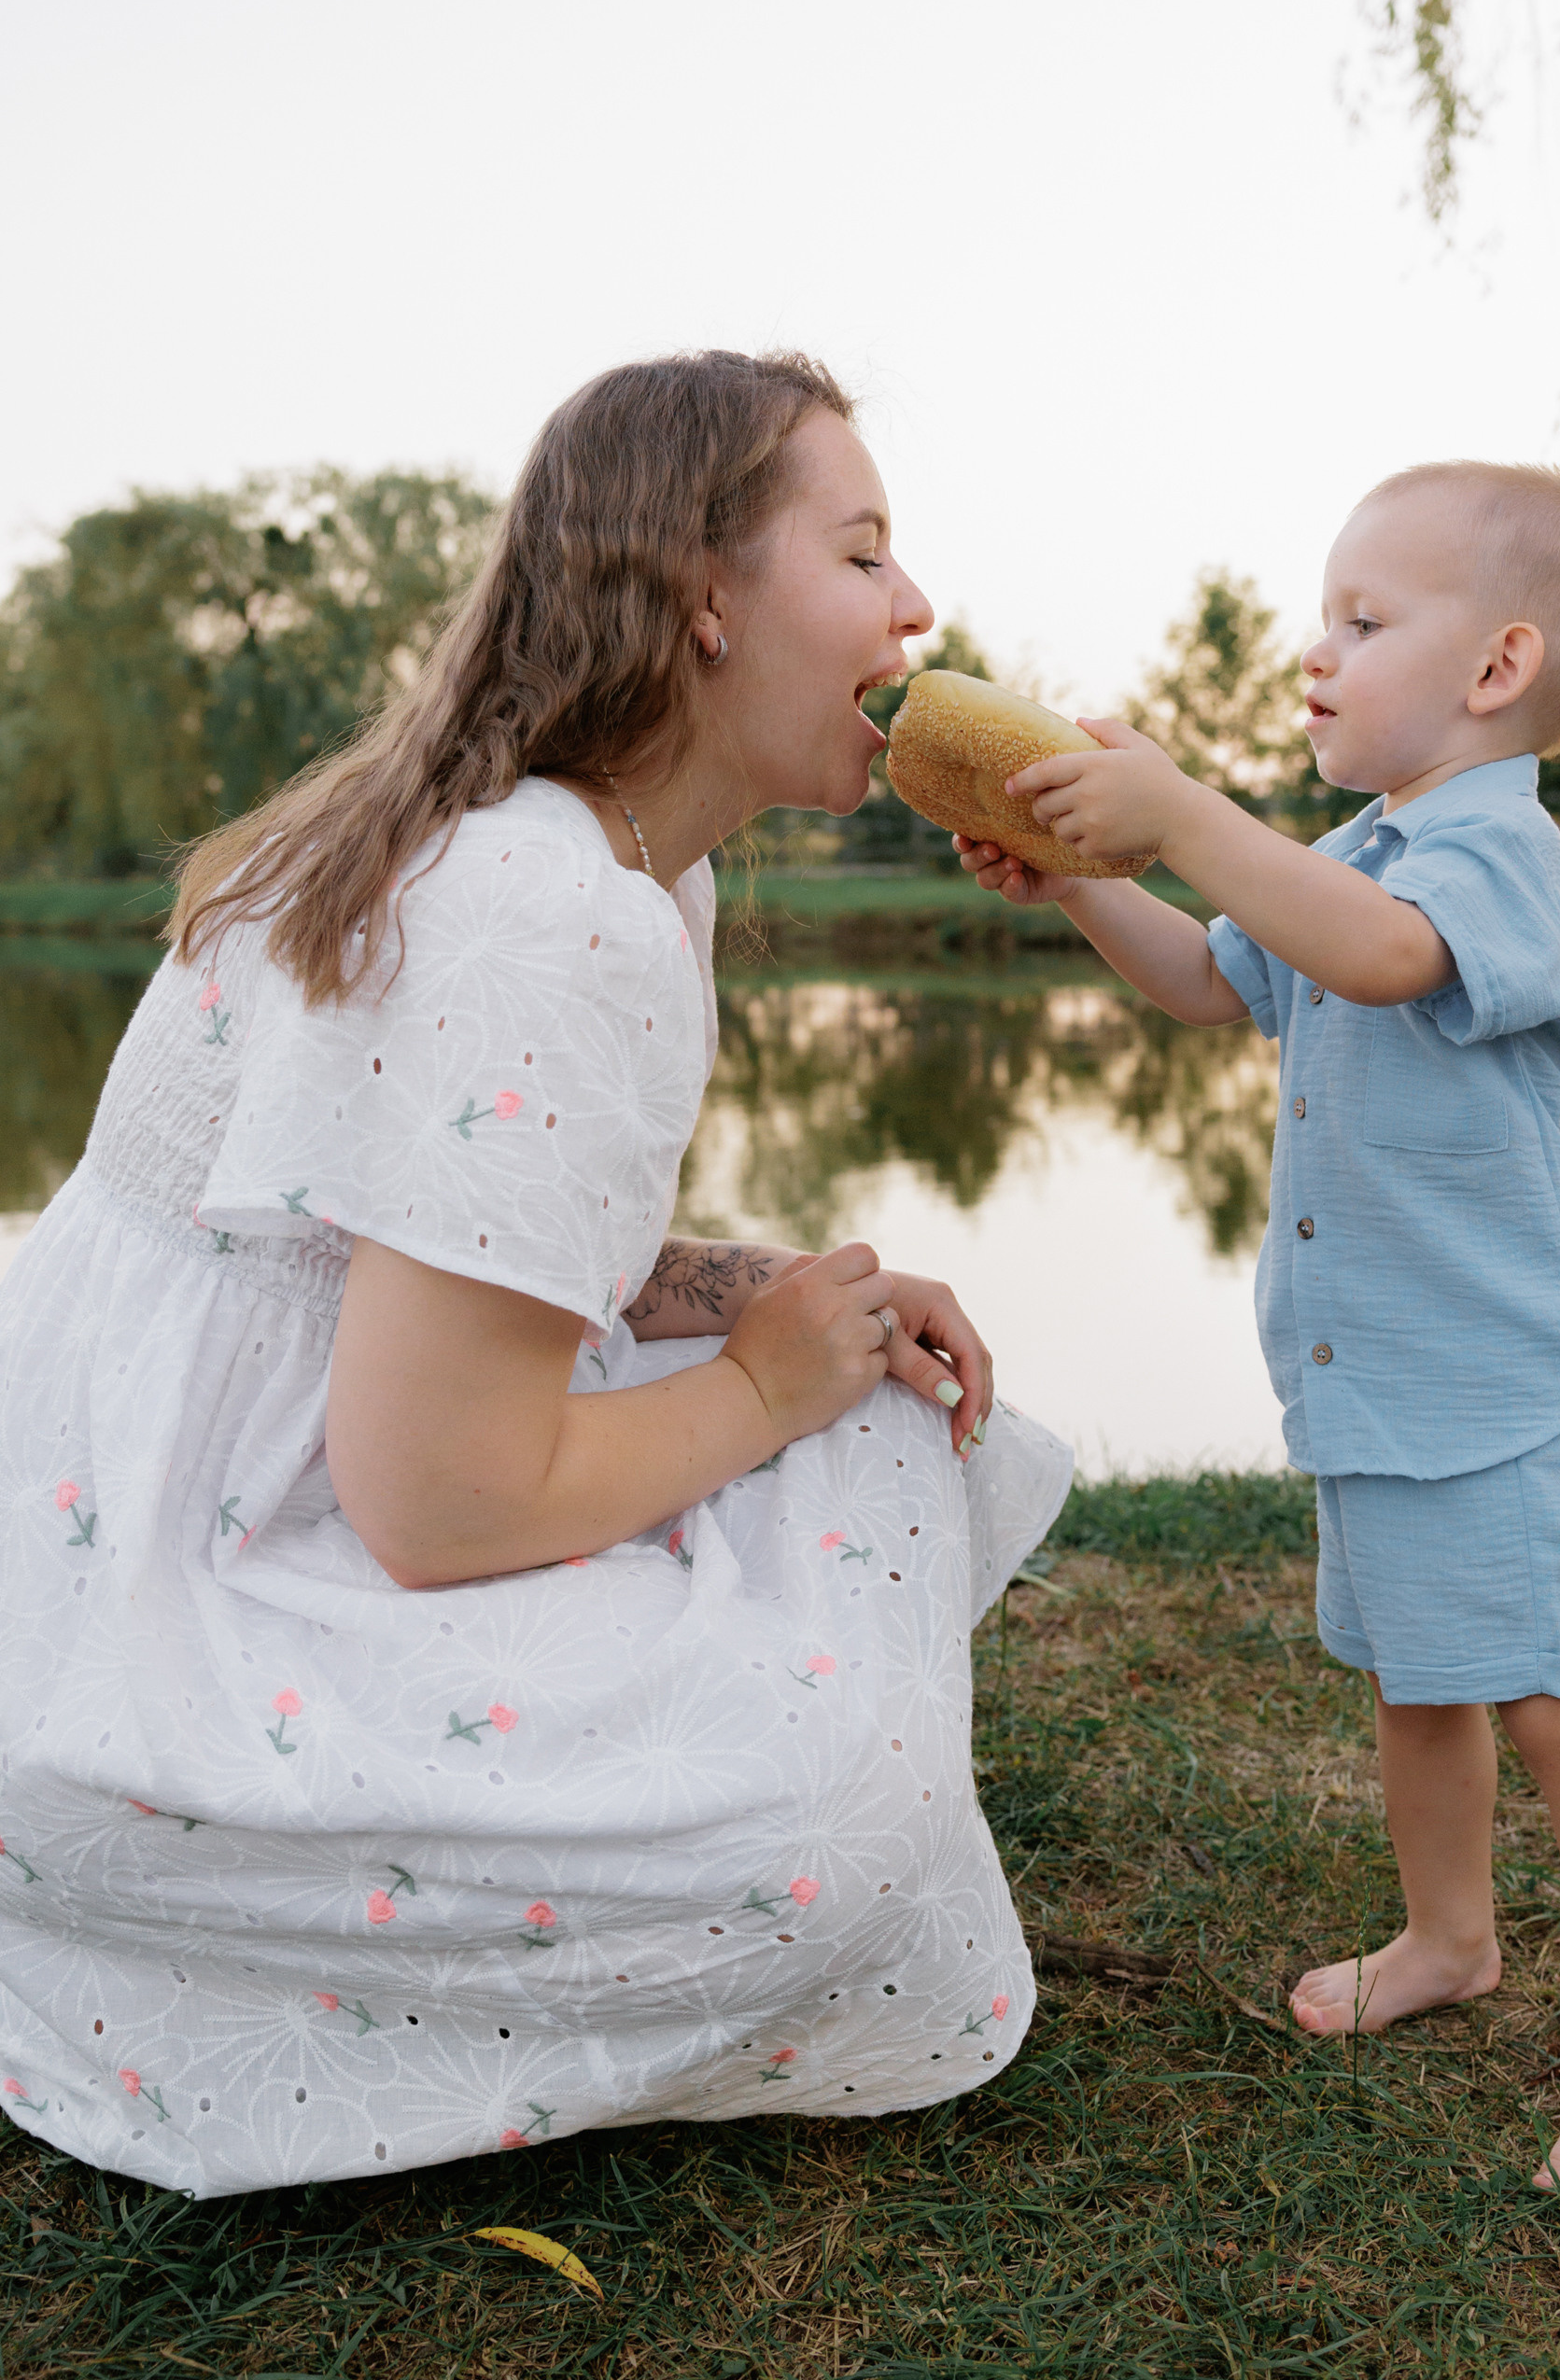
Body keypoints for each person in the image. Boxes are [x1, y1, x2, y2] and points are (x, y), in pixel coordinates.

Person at [0, 352, 1072, 2197]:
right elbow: (437, 1505)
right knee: (843, 1819)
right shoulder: (546, 905)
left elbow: (423, 1233)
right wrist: (756, 1388)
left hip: (195, 1483)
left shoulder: (620, 865)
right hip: (168, 1600)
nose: (916, 611)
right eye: (867, 553)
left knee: (905, 1444)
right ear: (701, 593)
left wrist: (738, 1294)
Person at [955, 461, 1560, 2199]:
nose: (1320, 651)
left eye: (1367, 622)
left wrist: (1188, 809)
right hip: (1379, 1376)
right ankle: (1450, 1935)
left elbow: (1376, 961)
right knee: (1416, 1682)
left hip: (1505, 1380)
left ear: (1497, 668)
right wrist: (1084, 875)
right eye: (1328, 615)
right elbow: (1220, 978)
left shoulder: (1489, 850)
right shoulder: (1360, 848)